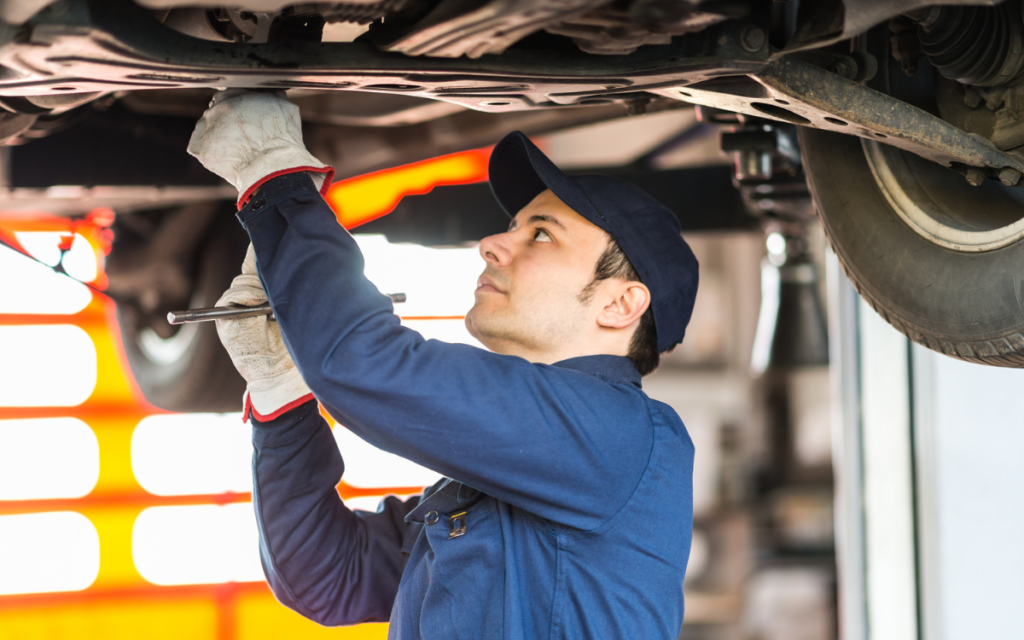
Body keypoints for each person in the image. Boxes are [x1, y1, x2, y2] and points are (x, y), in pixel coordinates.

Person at [188, 89, 700, 639]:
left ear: (620, 304)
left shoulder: (621, 436)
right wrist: (279, 391)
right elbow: (330, 576)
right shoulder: (519, 473)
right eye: (514, 226)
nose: (492, 244)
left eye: (542, 234)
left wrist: (274, 175)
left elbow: (364, 365)